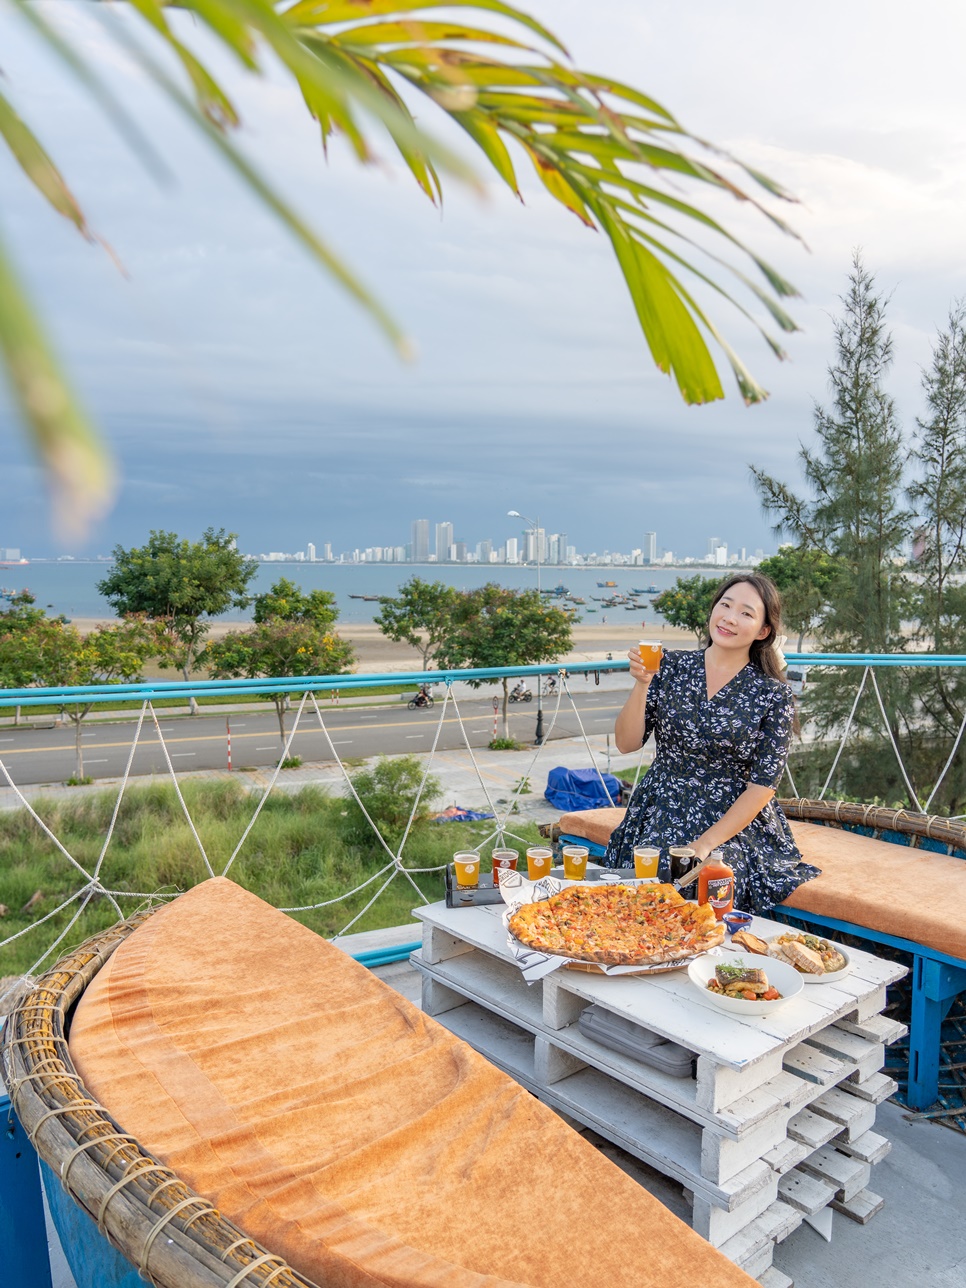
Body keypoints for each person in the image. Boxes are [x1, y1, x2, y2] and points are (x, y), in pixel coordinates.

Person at [604, 572, 819, 914]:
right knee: (652, 872)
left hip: (731, 820)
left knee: (706, 877)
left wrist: (703, 845)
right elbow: (626, 743)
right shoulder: (671, 666)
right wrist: (643, 684)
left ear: (763, 631)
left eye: (746, 613)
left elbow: (763, 787)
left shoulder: (773, 694)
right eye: (725, 605)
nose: (730, 618)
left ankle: (706, 959)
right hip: (662, 804)